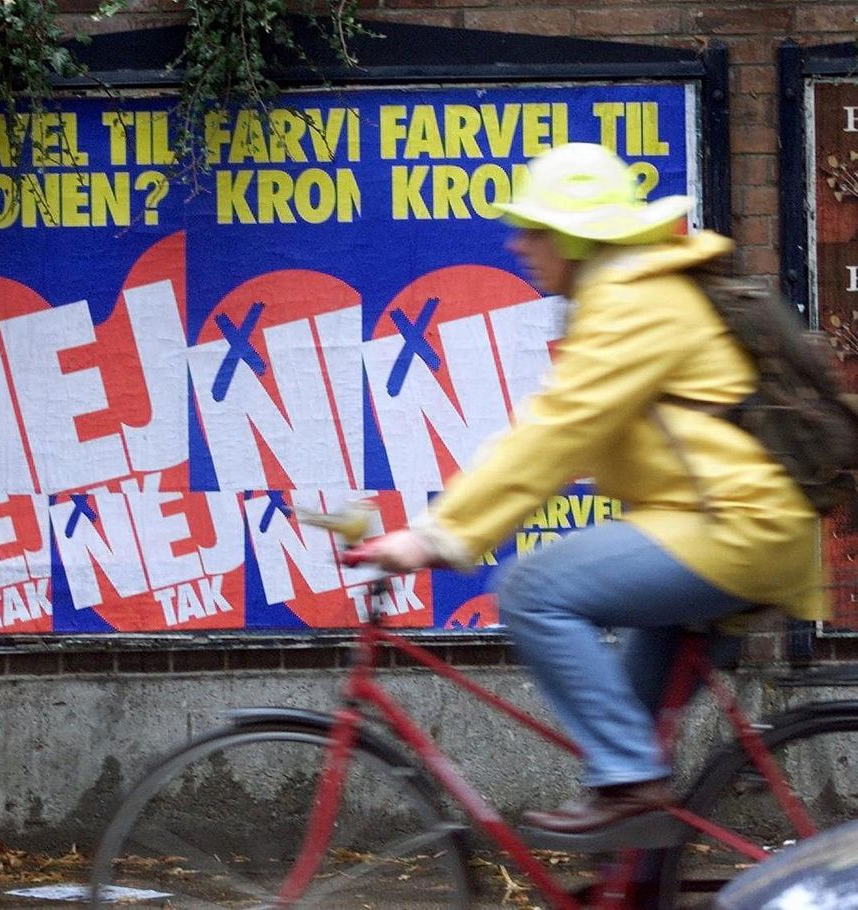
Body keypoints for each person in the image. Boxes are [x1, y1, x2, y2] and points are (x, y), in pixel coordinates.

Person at [349, 142, 825, 834]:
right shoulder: (629, 294)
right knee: (623, 791)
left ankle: (632, 783)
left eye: (534, 230)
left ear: (574, 237)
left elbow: (554, 433)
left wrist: (433, 537)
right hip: (722, 528)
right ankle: (633, 838)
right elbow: (551, 430)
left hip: (736, 529)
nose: (518, 244)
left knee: (532, 590)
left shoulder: (635, 301)